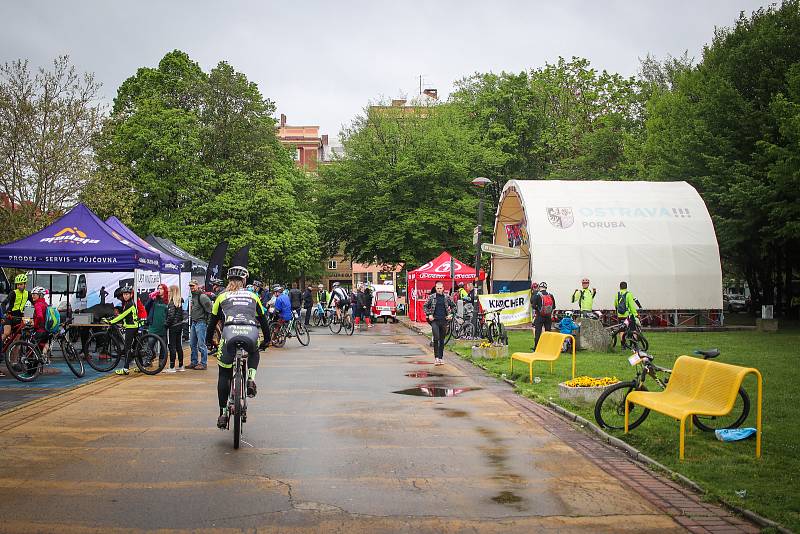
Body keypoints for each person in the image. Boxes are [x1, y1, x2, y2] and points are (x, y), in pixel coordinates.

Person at [206, 266, 270, 429]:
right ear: (244, 281)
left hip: (229, 333)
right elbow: (263, 320)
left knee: (224, 373)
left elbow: (212, 322)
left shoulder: (221, 297)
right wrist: (267, 340)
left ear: (228, 281)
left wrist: (208, 341)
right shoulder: (253, 296)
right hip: (250, 332)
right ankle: (250, 379)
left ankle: (222, 413)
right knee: (254, 351)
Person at [108, 285, 140, 375]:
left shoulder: (129, 304)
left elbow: (123, 315)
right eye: (124, 294)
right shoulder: (130, 302)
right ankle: (141, 366)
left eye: (127, 294)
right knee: (135, 347)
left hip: (131, 327)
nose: (125, 296)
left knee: (127, 348)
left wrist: (112, 321)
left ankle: (125, 369)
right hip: (134, 326)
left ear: (131, 295)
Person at [423, 282, 456, 365]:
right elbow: (425, 306)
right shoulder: (432, 297)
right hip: (435, 320)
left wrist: (451, 314)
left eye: (440, 288)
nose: (439, 290)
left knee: (442, 340)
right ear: (436, 288)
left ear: (443, 288)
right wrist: (429, 314)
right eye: (438, 288)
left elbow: (454, 306)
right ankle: (436, 357)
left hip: (444, 320)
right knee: (436, 338)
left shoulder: (447, 297)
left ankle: (441, 357)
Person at [187, 280, 213, 370]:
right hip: (194, 322)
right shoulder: (194, 296)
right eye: (190, 286)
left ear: (197, 286)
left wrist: (208, 323)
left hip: (201, 322)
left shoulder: (202, 297)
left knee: (201, 344)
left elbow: (210, 310)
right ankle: (194, 362)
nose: (191, 287)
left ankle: (203, 363)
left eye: (193, 286)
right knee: (192, 344)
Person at [3, 273, 30, 343]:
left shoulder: (27, 294)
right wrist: (5, 313)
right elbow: (3, 303)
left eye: (21, 284)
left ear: (25, 284)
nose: (19, 286)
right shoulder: (13, 293)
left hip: (19, 317)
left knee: (17, 340)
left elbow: (36, 304)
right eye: (17, 284)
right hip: (10, 316)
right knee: (6, 333)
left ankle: (13, 354)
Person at [164, 285, 185, 373]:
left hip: (173, 326)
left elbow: (171, 316)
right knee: (178, 346)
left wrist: (166, 324)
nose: (168, 293)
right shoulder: (179, 301)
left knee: (172, 346)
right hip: (179, 325)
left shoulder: (172, 303)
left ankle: (172, 366)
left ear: (172, 292)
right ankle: (181, 365)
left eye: (169, 291)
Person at [532, 281, 555, 350]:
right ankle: (548, 347)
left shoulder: (537, 295)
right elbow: (553, 306)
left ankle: (536, 347)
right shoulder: (550, 295)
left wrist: (538, 310)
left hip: (539, 316)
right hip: (548, 316)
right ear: (546, 288)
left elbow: (533, 306)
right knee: (548, 332)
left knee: (538, 332)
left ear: (540, 287)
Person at [29, 286, 52, 353]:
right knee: (41, 345)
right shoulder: (45, 304)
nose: (32, 296)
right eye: (32, 294)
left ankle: (29, 361)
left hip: (40, 330)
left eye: (34, 295)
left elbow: (39, 316)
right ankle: (43, 357)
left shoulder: (38, 304)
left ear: (40, 295)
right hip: (46, 330)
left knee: (30, 345)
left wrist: (35, 325)